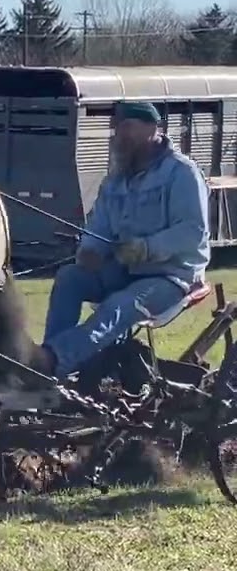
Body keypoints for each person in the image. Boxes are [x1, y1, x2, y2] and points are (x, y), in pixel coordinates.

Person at [39, 101, 210, 378]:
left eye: (128, 126)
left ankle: (51, 361)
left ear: (154, 128)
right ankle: (50, 370)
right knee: (70, 277)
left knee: (119, 305)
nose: (120, 134)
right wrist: (91, 251)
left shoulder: (182, 173)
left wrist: (146, 249)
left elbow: (193, 232)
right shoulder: (115, 182)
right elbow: (101, 228)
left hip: (172, 277)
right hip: (124, 271)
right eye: (117, 127)